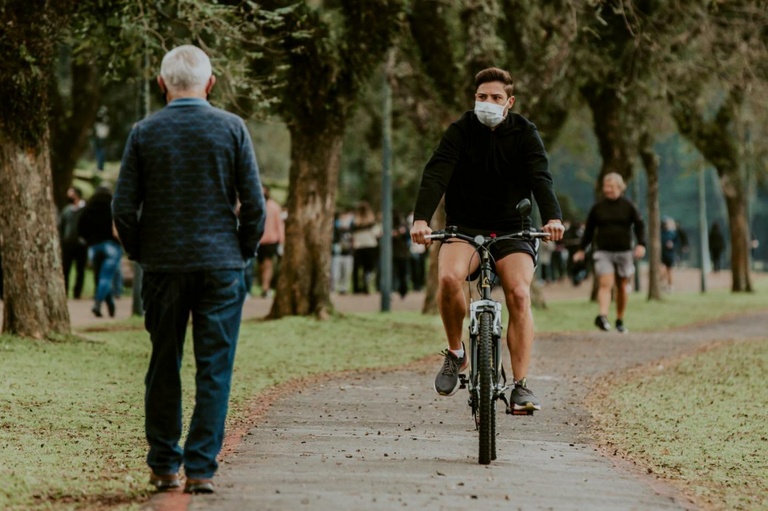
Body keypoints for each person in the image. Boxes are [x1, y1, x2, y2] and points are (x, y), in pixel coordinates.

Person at [112, 45, 266, 494]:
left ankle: (163, 465)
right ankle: (200, 468)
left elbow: (123, 207)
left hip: (163, 267)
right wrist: (241, 252)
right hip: (221, 266)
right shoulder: (232, 128)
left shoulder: (144, 132)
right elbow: (254, 204)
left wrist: (143, 252)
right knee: (214, 368)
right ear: (210, 83)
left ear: (161, 84)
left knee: (164, 362)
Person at [410, 67, 564, 412]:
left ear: (509, 102)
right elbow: (436, 174)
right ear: (474, 99)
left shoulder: (526, 133)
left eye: (496, 98)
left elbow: (541, 177)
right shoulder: (459, 131)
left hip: (513, 228)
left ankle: (520, 386)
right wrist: (420, 218)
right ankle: (456, 353)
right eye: (482, 98)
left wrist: (553, 217)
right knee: (449, 278)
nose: (488, 104)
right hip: (464, 227)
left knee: (520, 293)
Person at [573, 173, 646, 333]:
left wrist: (641, 244)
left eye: (611, 187)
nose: (608, 190)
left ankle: (619, 319)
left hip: (624, 252)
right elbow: (589, 231)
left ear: (620, 188)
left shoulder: (628, 206)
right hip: (603, 251)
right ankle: (603, 316)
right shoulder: (598, 208)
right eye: (606, 187)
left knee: (621, 285)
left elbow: (640, 226)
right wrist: (581, 249)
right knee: (606, 283)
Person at [77, 185, 122, 317]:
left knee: (100, 277)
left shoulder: (89, 208)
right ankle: (97, 304)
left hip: (94, 247)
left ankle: (110, 304)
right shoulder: (113, 207)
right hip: (111, 246)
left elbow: (80, 226)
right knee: (106, 277)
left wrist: (88, 240)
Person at [58, 186, 88, 299]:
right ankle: (64, 292)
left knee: (80, 270)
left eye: (71, 194)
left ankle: (77, 293)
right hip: (68, 244)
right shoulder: (66, 210)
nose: (68, 197)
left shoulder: (85, 209)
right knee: (66, 268)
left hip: (81, 244)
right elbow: (61, 226)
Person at [256, 185, 284, 298]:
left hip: (271, 240)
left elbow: (279, 224)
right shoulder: (256, 204)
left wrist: (281, 240)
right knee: (261, 265)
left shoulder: (274, 207)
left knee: (268, 264)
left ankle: (265, 287)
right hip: (258, 240)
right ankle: (263, 285)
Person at [351, 201, 380, 294]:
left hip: (360, 246)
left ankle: (357, 287)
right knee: (368, 268)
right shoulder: (371, 221)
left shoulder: (355, 222)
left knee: (358, 268)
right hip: (369, 246)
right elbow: (377, 233)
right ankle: (365, 286)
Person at [331, 209, 354, 294]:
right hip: (337, 253)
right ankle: (333, 288)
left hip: (348, 253)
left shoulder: (352, 227)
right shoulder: (335, 228)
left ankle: (343, 289)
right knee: (336, 273)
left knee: (346, 272)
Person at [660, 217, 680, 291]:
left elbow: (677, 243)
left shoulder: (673, 234)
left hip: (669, 254)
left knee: (669, 271)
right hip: (662, 254)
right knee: (662, 269)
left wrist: (672, 245)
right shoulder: (660, 233)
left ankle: (670, 285)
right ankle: (662, 283)